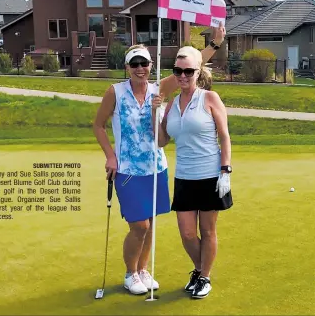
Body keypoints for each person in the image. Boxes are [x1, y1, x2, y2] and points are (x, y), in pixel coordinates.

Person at [93, 25, 226, 295]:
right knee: (139, 225)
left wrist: (214, 44)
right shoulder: (115, 92)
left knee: (151, 222)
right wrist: (110, 156)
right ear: (127, 67)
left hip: (156, 167)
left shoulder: (159, 88)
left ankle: (143, 269)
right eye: (135, 63)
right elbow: (98, 125)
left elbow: (191, 66)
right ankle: (131, 273)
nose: (140, 68)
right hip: (128, 169)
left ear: (151, 65)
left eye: (144, 63)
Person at [152, 45, 233, 299]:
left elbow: (225, 136)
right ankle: (199, 270)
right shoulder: (172, 104)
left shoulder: (210, 98)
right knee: (187, 233)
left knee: (208, 231)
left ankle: (204, 277)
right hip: (184, 176)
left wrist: (225, 171)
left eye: (188, 71)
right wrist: (155, 114)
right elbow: (163, 140)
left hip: (210, 174)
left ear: (198, 72)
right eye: (178, 71)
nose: (183, 76)